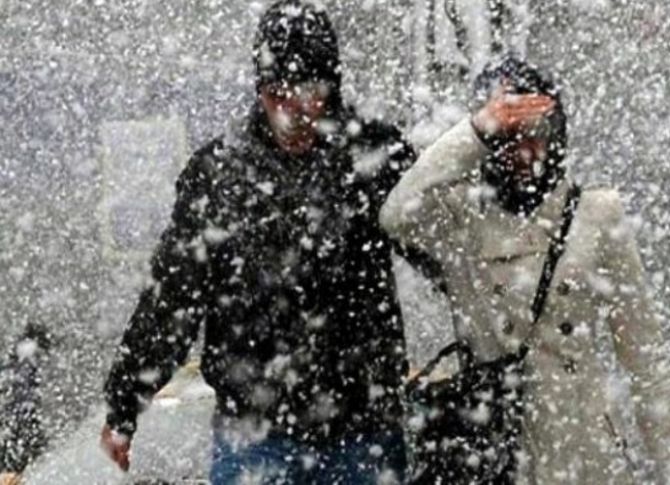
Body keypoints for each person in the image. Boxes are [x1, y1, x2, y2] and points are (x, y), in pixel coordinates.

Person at [100, 1, 437, 482]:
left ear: (333, 88)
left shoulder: (374, 158)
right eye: (278, 93)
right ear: (260, 89)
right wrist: (124, 404)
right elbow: (173, 297)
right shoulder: (219, 174)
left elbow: (442, 250)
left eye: (310, 92)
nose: (293, 112)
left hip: (361, 430)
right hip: (255, 435)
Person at [380, 56, 670, 484]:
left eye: (538, 133)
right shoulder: (459, 218)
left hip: (584, 456)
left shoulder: (597, 215)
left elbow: (648, 365)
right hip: (493, 452)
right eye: (508, 136)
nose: (525, 151)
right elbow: (396, 214)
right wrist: (475, 129)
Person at [0, 323, 52, 485]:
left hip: (12, 423)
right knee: (14, 465)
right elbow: (23, 394)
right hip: (20, 422)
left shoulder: (14, 358)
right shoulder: (28, 356)